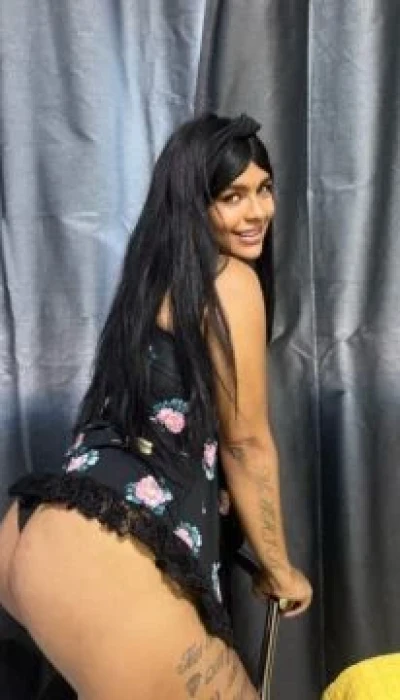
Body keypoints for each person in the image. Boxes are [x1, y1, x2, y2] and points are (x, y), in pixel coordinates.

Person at [0, 114, 312, 699]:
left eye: (264, 189)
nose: (257, 212)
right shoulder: (228, 281)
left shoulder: (152, 278)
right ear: (194, 204)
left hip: (36, 531)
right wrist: (279, 568)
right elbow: (246, 444)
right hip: (108, 550)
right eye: (232, 197)